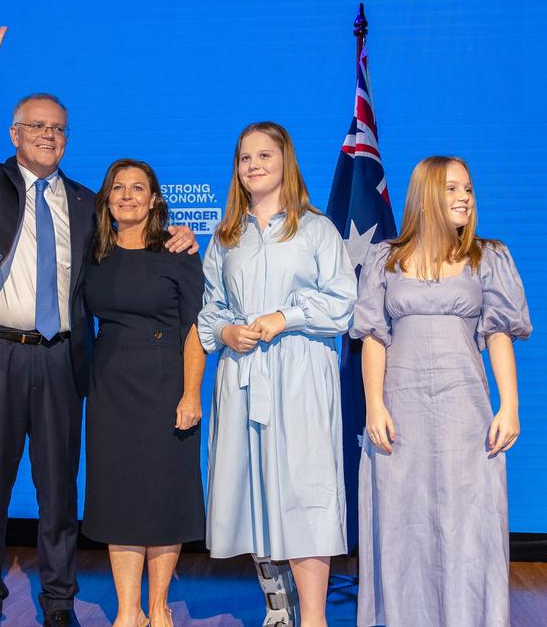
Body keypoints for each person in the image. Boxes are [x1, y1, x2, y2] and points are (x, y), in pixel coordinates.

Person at [0, 0, 195, 627]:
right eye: (35, 127)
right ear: (14, 135)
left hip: (61, 361)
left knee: (58, 493)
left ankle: (60, 604)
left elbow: (134, 228)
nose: (47, 136)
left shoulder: (90, 201)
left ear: (67, 139)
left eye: (57, 129)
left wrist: (177, 235)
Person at [350, 156, 532, 627]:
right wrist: (374, 405)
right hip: (400, 412)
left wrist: (509, 406)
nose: (465, 198)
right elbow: (373, 336)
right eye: (453, 188)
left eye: (468, 189)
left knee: (468, 524)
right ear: (427, 194)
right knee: (401, 524)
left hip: (464, 413)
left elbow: (498, 334)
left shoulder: (487, 258)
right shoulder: (385, 258)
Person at [198, 121, 357, 627]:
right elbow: (211, 308)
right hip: (243, 375)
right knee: (250, 490)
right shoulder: (226, 237)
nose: (253, 165)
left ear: (286, 161)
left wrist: (282, 317)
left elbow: (342, 302)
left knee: (304, 493)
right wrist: (226, 334)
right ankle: (277, 606)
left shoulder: (315, 228)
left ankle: (313, 618)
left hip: (301, 372)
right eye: (245, 157)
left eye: (264, 155)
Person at [81, 159, 206, 627]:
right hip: (110, 388)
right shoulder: (92, 252)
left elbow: (195, 328)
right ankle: (128, 611)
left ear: (154, 199)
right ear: (107, 198)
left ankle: (159, 607)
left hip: (166, 386)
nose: (128, 195)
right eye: (119, 188)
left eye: (139, 188)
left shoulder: (177, 252)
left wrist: (191, 393)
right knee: (121, 498)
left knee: (164, 497)